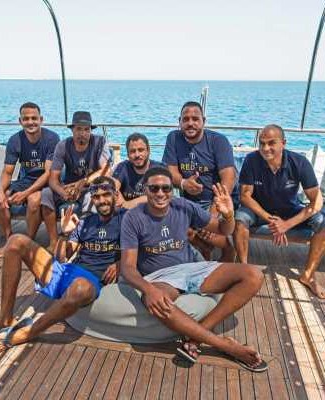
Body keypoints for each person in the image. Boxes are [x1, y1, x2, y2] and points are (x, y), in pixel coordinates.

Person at [120, 166, 267, 372]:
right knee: (156, 301)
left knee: (254, 275)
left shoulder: (184, 206)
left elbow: (223, 230)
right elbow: (127, 267)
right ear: (145, 189)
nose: (160, 193)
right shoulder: (133, 217)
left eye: (166, 188)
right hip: (161, 277)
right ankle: (225, 345)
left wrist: (228, 216)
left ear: (172, 190)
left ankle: (196, 339)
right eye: (154, 188)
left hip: (192, 268)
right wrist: (149, 289)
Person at [0, 176, 125, 352]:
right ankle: (4, 319)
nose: (102, 200)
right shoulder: (86, 222)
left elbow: (139, 249)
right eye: (96, 197)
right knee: (15, 241)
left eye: (106, 195)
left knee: (80, 287)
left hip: (89, 282)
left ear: (115, 194)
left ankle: (29, 332)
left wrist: (120, 263)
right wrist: (65, 234)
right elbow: (61, 257)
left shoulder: (126, 220)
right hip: (67, 272)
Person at [234, 124, 325, 298]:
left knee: (322, 222)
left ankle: (308, 275)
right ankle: (243, 270)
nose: (265, 148)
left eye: (271, 143)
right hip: (260, 210)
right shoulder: (252, 160)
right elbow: (245, 196)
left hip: (290, 210)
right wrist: (272, 220)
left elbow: (316, 202)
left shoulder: (299, 162)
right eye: (262, 143)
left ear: (283, 143)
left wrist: (286, 225)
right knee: (240, 219)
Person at [162, 101, 237, 261]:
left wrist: (215, 210)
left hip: (213, 199)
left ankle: (228, 249)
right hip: (187, 200)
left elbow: (229, 177)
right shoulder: (173, 138)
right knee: (180, 228)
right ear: (179, 122)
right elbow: (170, 171)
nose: (190, 123)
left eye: (195, 119)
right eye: (185, 119)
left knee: (209, 229)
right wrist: (184, 183)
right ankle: (204, 249)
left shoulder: (218, 141)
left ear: (204, 121)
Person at [0, 102, 59, 256]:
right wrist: (0, 190)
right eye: (26, 118)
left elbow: (48, 173)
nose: (30, 122)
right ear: (20, 121)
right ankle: (9, 239)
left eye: (34, 118)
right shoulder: (15, 140)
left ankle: (27, 241)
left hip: (47, 182)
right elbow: (8, 172)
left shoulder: (52, 138)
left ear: (41, 119)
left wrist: (25, 194)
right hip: (26, 180)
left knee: (34, 200)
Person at [41, 111, 111, 252]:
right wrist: (63, 192)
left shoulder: (100, 142)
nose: (82, 133)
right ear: (72, 129)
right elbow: (53, 178)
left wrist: (84, 182)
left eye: (86, 129)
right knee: (46, 194)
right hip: (69, 187)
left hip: (91, 186)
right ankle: (53, 241)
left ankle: (86, 239)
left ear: (90, 130)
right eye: (78, 129)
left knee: (92, 197)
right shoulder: (62, 145)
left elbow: (106, 170)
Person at [113, 132, 163, 208]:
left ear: (148, 151)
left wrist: (126, 204)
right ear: (128, 154)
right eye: (132, 151)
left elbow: (157, 195)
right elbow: (112, 188)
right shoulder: (123, 167)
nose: (137, 155)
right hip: (127, 213)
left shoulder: (159, 168)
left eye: (141, 150)